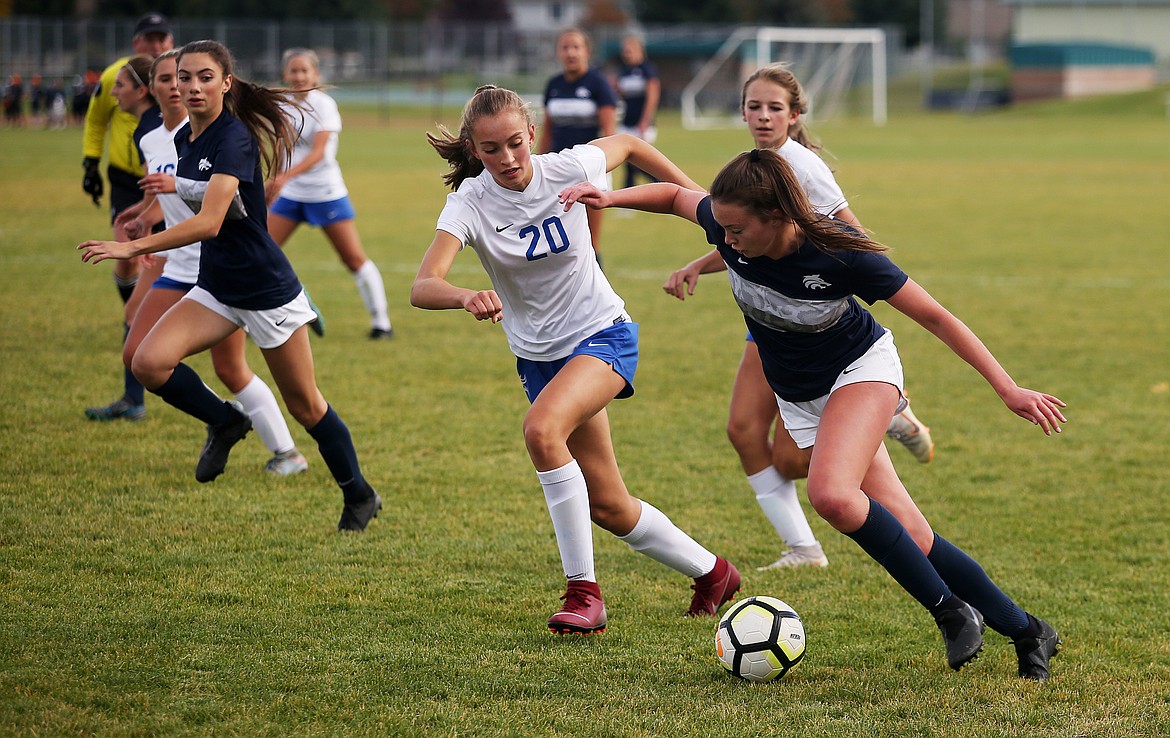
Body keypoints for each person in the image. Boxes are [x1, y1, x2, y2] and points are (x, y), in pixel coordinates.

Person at [560, 148, 1065, 679]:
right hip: (800, 394)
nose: (725, 241)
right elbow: (671, 195)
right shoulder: (723, 221)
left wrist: (1008, 389)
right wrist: (610, 196)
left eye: (737, 230)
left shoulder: (839, 254)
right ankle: (1030, 631)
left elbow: (937, 317)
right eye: (721, 227)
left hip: (861, 370)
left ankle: (950, 612)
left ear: (777, 216)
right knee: (913, 536)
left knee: (831, 494)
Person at [412, 85, 740, 635]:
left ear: (532, 135)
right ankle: (715, 573)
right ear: (473, 148)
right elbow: (424, 285)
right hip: (539, 360)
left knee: (542, 431)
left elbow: (631, 143)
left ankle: (583, 594)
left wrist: (703, 202)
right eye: (491, 150)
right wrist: (465, 295)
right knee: (608, 506)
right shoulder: (469, 202)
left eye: (516, 143)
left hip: (603, 335)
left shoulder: (568, 166)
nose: (508, 159)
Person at [78, 40, 380, 532]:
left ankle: (359, 494)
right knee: (149, 362)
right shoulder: (184, 140)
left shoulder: (234, 138)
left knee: (306, 406)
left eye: (203, 77)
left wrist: (134, 249)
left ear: (225, 84)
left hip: (264, 290)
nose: (190, 87)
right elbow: (192, 193)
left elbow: (211, 220)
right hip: (217, 285)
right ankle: (225, 421)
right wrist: (152, 209)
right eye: (182, 78)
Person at [662, 65, 934, 572]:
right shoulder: (753, 167)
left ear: (794, 114)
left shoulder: (801, 168)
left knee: (795, 462)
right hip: (766, 313)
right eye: (754, 106)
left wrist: (870, 278)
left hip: (813, 322)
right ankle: (803, 547)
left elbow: (846, 240)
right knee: (745, 432)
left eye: (774, 108)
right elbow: (750, 240)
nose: (763, 116)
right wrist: (701, 262)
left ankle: (878, 418)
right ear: (742, 110)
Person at [113, 51, 309, 476]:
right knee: (137, 351)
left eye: (179, 77)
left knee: (230, 367)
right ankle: (218, 419)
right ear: (155, 88)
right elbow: (159, 200)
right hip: (176, 264)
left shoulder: (217, 134)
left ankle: (286, 452)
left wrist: (141, 243)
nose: (175, 86)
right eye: (167, 79)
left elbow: (220, 211)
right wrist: (143, 221)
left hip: (214, 267)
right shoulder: (150, 139)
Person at [81, 12, 175, 422]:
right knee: (139, 312)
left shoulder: (155, 130)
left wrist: (148, 224)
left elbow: (176, 180)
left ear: (141, 90)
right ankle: (134, 400)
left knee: (230, 362)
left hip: (195, 236)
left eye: (120, 86)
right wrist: (146, 214)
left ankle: (281, 296)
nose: (112, 91)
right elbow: (172, 183)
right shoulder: (150, 126)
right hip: (141, 197)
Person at [265, 48, 393, 340]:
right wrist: (273, 179)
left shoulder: (324, 105)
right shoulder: (282, 105)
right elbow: (281, 148)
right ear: (285, 74)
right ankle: (260, 315)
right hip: (292, 194)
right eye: (293, 71)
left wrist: (284, 177)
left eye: (304, 71)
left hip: (326, 193)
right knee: (261, 252)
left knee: (353, 259)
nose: (298, 76)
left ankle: (382, 323)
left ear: (315, 74)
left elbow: (319, 153)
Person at [539, 27, 617, 263]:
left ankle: (598, 290)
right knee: (558, 238)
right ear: (558, 53)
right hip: (556, 169)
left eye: (576, 47)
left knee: (591, 243)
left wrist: (603, 171)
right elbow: (548, 130)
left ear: (587, 52)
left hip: (588, 169)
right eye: (565, 47)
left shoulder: (598, 84)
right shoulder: (553, 84)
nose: (571, 52)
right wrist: (536, 165)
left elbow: (610, 135)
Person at [611, 35, 660, 189]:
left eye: (630, 50)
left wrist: (645, 120)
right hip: (627, 122)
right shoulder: (624, 72)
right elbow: (619, 94)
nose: (627, 54)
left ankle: (662, 183)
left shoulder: (647, 70)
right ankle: (628, 196)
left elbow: (653, 95)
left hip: (642, 123)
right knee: (627, 161)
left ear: (639, 51)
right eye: (625, 51)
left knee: (640, 161)